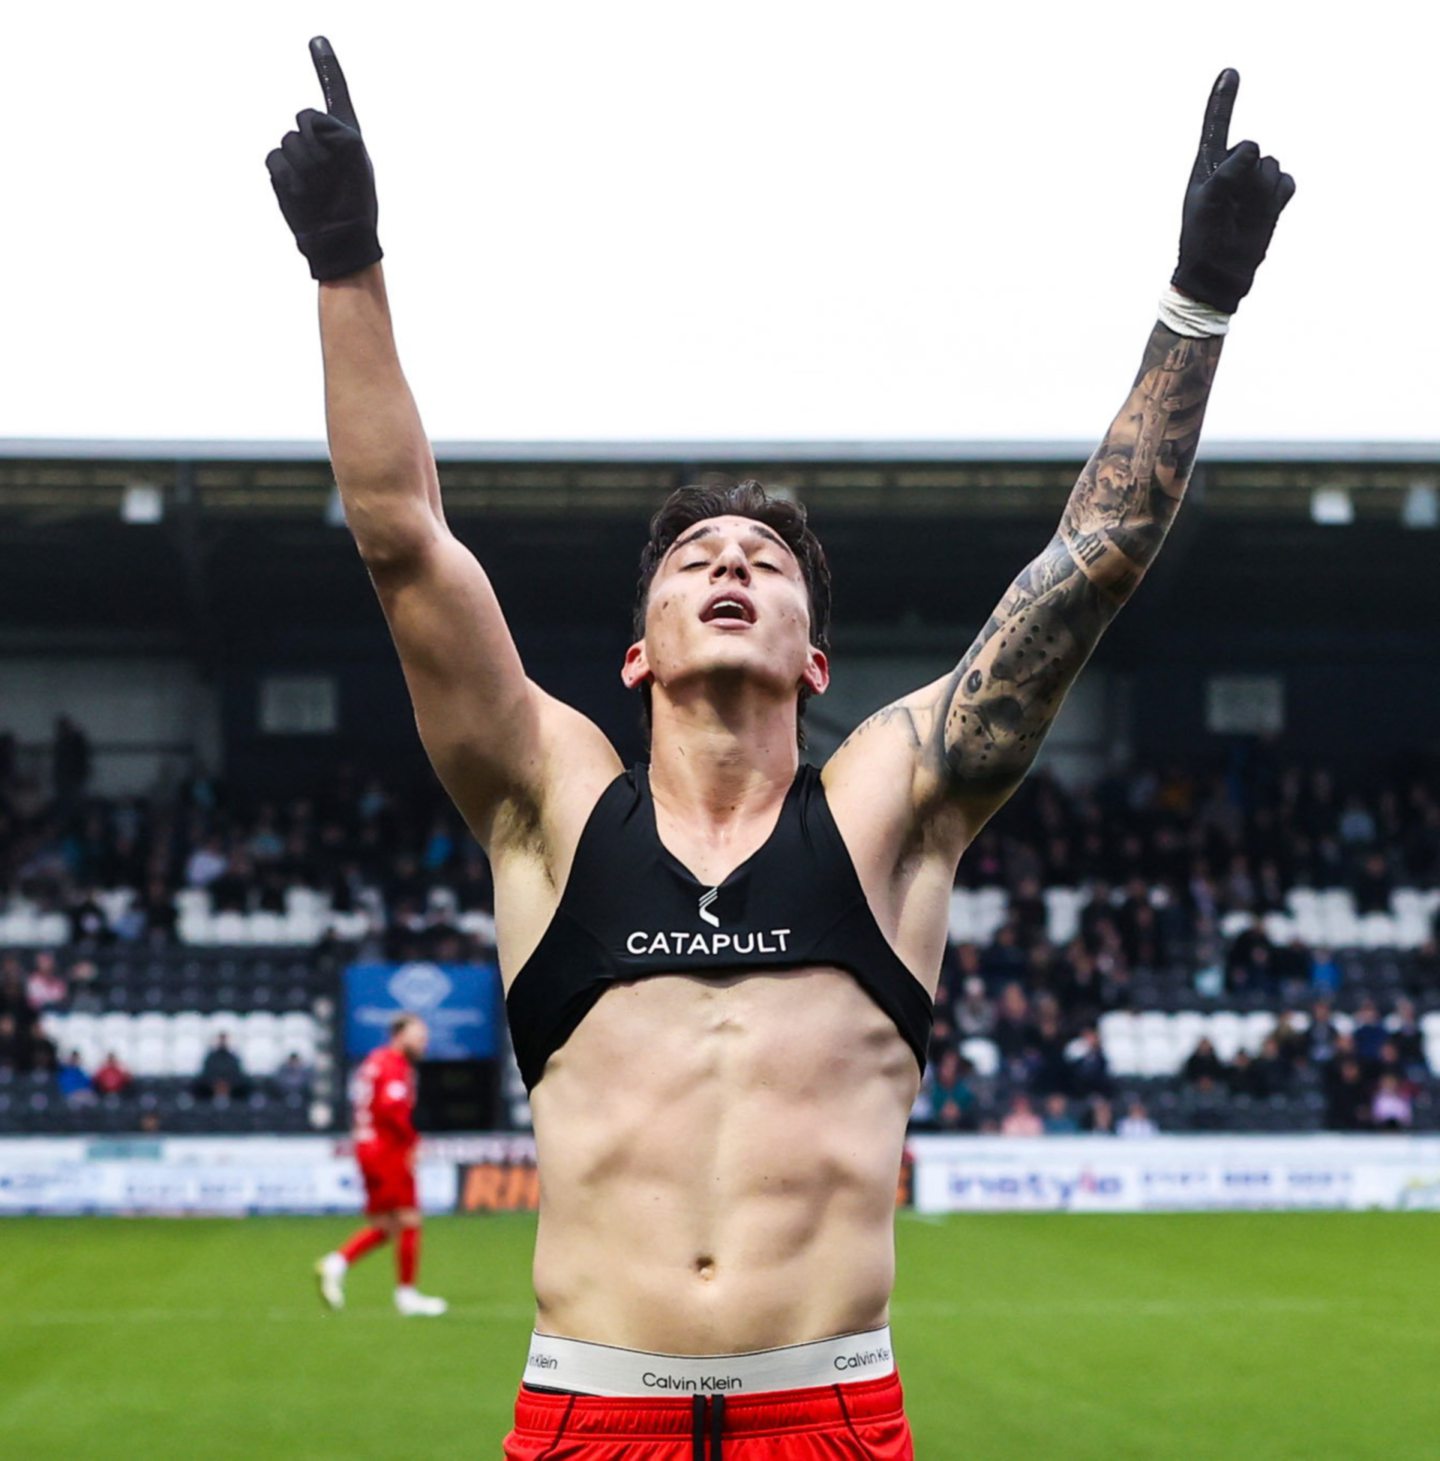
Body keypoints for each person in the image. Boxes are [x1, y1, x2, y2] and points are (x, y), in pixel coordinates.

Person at [269, 40, 1291, 1458]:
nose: (730, 563)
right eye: (695, 558)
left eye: (764, 556)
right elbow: (404, 542)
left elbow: (1095, 553)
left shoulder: (889, 806)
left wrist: (1201, 300)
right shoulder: (551, 805)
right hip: (586, 1413)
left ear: (816, 657)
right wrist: (344, 263)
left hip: (831, 1416)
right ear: (638, 649)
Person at [316, 1014, 446, 1317]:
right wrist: (412, 1143)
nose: (423, 1043)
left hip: (367, 1148)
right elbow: (392, 1110)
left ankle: (335, 1264)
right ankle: (407, 1295)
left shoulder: (374, 1062)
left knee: (387, 1226)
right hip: (387, 1151)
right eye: (418, 1037)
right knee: (410, 1220)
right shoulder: (393, 1066)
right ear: (399, 1035)